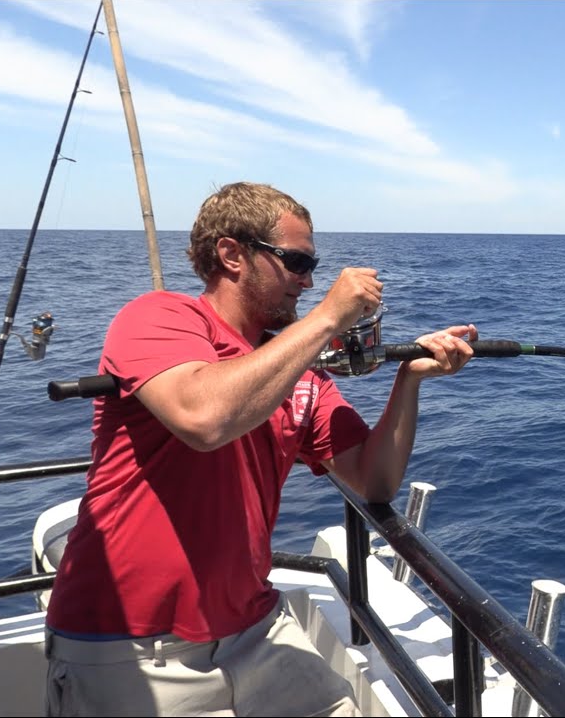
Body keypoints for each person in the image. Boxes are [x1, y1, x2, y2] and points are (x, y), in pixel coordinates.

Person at [43, 182, 477, 716]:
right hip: (133, 646)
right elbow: (204, 417)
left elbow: (374, 480)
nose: (309, 281)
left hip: (255, 629)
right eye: (296, 262)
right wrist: (325, 320)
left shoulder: (301, 373)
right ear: (231, 254)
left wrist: (408, 382)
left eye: (312, 265)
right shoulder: (158, 317)